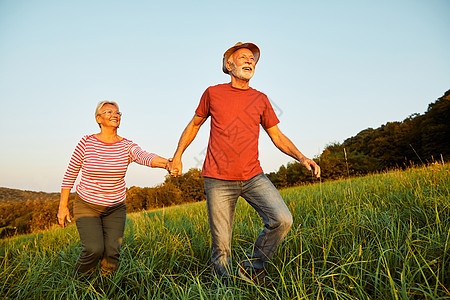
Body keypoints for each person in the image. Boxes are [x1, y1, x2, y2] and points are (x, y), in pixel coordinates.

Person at [170, 42, 321, 286]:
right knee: (221, 245)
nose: (249, 61)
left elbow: (277, 136)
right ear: (229, 65)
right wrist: (178, 155)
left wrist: (302, 157)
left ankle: (252, 267)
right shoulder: (213, 93)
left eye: (252, 58)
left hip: (253, 176)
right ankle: (225, 289)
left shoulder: (260, 99)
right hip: (218, 179)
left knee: (282, 219)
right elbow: (195, 124)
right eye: (243, 57)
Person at [57, 101, 173, 275]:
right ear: (98, 118)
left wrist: (168, 164)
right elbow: (70, 175)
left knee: (112, 253)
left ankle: (106, 288)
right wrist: (62, 206)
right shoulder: (86, 142)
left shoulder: (127, 145)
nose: (115, 114)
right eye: (108, 111)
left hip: (115, 207)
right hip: (87, 204)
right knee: (93, 249)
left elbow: (144, 156)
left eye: (118, 112)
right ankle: (77, 283)